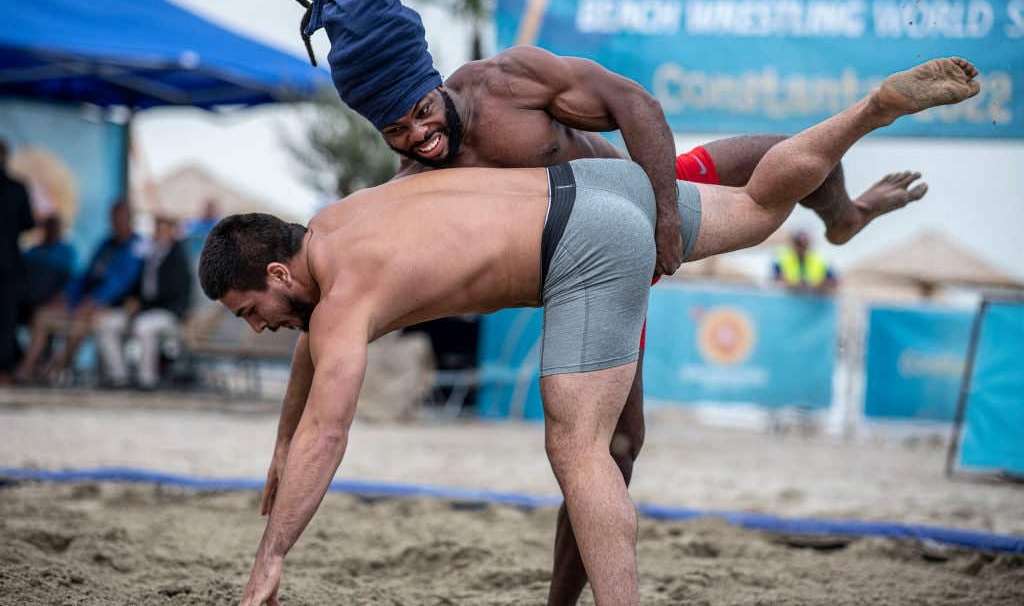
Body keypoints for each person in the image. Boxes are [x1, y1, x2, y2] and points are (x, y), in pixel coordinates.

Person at [198, 54, 979, 605]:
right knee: (761, 205)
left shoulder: (341, 302)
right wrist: (278, 444)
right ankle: (870, 111)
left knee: (579, 448)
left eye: (248, 313)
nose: (259, 328)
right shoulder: (339, 220)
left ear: (275, 274)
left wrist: (270, 563)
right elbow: (309, 355)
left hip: (585, 246)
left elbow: (330, 433)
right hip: (607, 181)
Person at [16, 200, 144, 384]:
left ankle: (51, 369)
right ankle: (27, 368)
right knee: (42, 316)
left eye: (121, 217)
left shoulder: (137, 246)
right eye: (114, 217)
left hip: (114, 306)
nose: (117, 222)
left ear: (130, 218)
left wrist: (95, 300)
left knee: (81, 324)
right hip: (85, 304)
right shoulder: (105, 245)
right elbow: (85, 276)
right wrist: (67, 295)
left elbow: (121, 282)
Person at [95, 215, 192, 389]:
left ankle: (147, 380)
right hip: (142, 311)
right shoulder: (147, 254)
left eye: (164, 229)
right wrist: (129, 301)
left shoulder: (179, 258)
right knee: (106, 323)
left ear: (172, 232)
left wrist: (142, 306)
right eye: (157, 229)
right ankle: (119, 377)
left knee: (144, 326)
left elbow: (171, 294)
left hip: (168, 314)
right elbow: (134, 285)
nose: (159, 233)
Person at [0, 138, 34, 384]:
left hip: (9, 264)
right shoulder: (17, 187)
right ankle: (4, 369)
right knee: (6, 318)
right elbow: (28, 224)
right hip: (8, 263)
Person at [20, 214, 76, 321]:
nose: (52, 230)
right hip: (26, 299)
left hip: (51, 301)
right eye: (49, 226)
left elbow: (70, 280)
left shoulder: (66, 252)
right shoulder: (33, 252)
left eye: (55, 226)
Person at [772, 229, 838, 293]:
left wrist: (819, 286)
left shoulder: (820, 261)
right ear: (793, 244)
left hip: (813, 301)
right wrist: (790, 284)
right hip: (788, 300)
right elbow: (775, 280)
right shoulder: (781, 259)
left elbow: (833, 281)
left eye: (805, 244)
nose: (802, 248)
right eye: (798, 244)